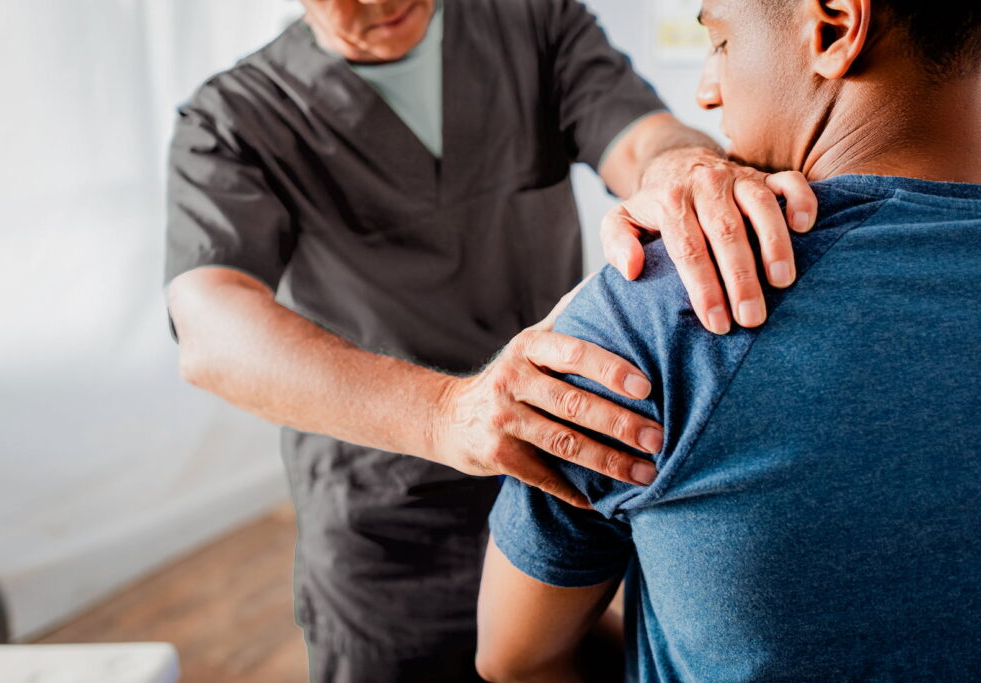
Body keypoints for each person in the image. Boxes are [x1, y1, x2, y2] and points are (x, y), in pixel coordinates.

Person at [163, 0, 818, 680]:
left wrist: (680, 168)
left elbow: (636, 135)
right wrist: (446, 413)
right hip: (387, 528)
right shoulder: (232, 119)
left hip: (566, 502)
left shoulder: (533, 24)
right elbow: (211, 327)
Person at [478, 0, 981, 680]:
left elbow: (517, 657)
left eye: (720, 41)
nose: (707, 90)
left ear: (833, 26)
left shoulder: (670, 306)